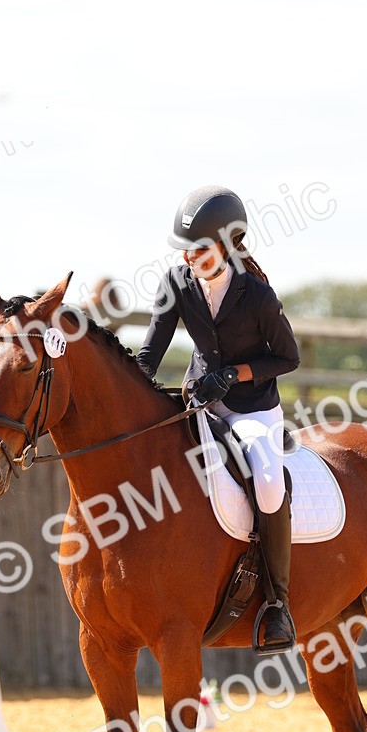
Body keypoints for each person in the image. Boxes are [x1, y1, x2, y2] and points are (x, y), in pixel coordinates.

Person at [136, 184, 301, 649]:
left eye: (200, 250)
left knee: (268, 484)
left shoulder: (257, 295)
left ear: (227, 245)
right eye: (185, 251)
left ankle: (277, 603)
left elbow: (288, 358)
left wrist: (234, 374)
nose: (189, 259)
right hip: (199, 400)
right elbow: (151, 351)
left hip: (252, 407)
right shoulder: (175, 283)